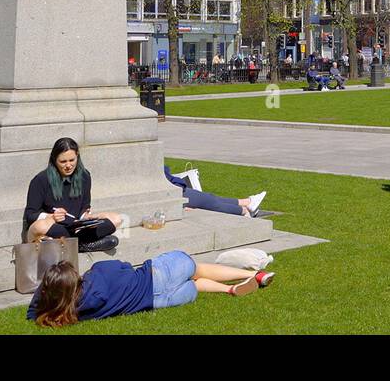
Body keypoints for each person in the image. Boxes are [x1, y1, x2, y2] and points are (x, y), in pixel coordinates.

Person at [28, 254, 274, 326]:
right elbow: (123, 267)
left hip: (164, 300)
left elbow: (34, 310)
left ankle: (229, 291)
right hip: (157, 275)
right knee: (197, 268)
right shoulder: (98, 275)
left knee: (195, 283)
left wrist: (47, 296)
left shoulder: (73, 313)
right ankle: (252, 274)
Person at [23, 137, 125, 252]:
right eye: (63, 162)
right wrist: (51, 216)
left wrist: (87, 217)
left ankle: (71, 244)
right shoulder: (41, 180)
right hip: (56, 226)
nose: (68, 165)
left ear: (77, 156)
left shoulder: (85, 176)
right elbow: (30, 214)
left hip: (76, 227)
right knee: (38, 227)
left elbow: (84, 207)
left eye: (72, 160)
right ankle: (83, 244)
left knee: (116, 219)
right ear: (54, 160)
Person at [163, 166, 266, 217]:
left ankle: (247, 203)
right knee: (210, 202)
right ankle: (244, 211)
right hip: (172, 192)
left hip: (171, 189)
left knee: (209, 198)